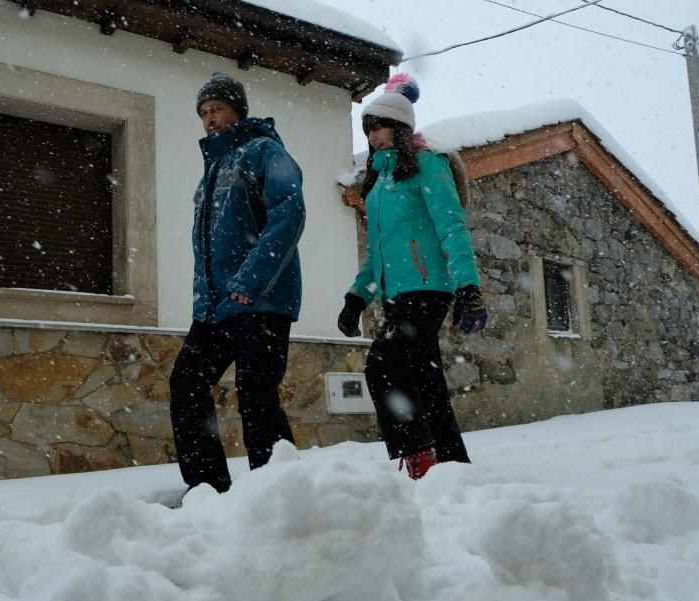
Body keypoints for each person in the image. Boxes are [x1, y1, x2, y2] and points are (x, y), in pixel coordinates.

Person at [337, 73, 487, 480]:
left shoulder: (427, 167)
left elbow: (452, 228)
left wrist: (468, 288)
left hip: (428, 289)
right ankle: (452, 462)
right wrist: (356, 297)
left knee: (382, 362)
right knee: (425, 377)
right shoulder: (377, 185)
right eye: (367, 129)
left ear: (401, 129)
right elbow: (379, 255)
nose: (373, 137)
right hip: (395, 295)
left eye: (379, 127)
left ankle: (420, 455)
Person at [170, 72, 305, 493]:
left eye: (217, 109)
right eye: (204, 112)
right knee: (187, 383)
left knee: (256, 395)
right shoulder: (211, 171)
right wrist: (207, 296)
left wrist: (250, 279)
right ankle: (208, 492)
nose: (210, 118)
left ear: (237, 110)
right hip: (216, 306)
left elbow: (289, 215)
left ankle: (277, 492)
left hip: (260, 300)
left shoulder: (265, 152)